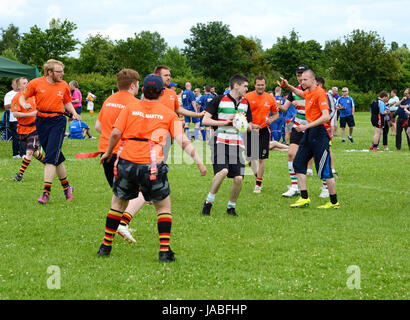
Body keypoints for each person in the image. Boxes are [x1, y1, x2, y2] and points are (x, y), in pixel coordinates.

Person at [96, 74, 207, 262]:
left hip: (126, 163)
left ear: (142, 91)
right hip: (152, 166)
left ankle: (105, 247)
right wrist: (198, 160)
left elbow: (115, 132)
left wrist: (107, 153)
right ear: (162, 93)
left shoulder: (130, 108)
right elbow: (182, 140)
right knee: (163, 207)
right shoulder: (169, 114)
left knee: (117, 204)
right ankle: (164, 251)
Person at [19, 59, 81, 204]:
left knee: (51, 156)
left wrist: (73, 112)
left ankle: (46, 193)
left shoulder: (64, 85)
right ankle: (67, 188)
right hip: (41, 122)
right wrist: (24, 105)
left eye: (62, 71)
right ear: (49, 72)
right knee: (56, 156)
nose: (62, 74)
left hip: (57, 122)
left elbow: (67, 102)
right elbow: (23, 97)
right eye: (59, 71)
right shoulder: (35, 83)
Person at [95, 69, 146, 243]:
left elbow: (98, 126)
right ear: (133, 85)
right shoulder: (135, 103)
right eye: (138, 84)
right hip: (125, 154)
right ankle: (121, 225)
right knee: (144, 191)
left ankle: (116, 227)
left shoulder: (108, 100)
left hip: (106, 153)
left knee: (119, 195)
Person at [283, 69, 339, 209]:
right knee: (298, 163)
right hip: (309, 133)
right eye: (301, 80)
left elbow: (326, 116)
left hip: (319, 134)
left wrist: (307, 125)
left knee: (325, 170)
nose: (302, 82)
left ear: (313, 80)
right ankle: (304, 198)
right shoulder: (309, 92)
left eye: (305, 80)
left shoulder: (320, 94)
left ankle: (334, 202)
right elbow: (300, 94)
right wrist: (289, 86)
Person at [201, 74, 255, 216]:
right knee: (223, 171)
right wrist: (223, 123)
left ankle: (231, 207)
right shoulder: (218, 99)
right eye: (245, 86)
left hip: (237, 144)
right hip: (219, 140)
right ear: (236, 85)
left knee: (238, 178)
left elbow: (249, 126)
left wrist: (243, 124)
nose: (246, 89)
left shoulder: (245, 103)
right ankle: (208, 202)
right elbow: (205, 121)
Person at [278, 65, 310, 197]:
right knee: (291, 154)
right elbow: (285, 108)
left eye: (302, 74)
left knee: (318, 158)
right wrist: (277, 106)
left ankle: (326, 187)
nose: (300, 77)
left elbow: (315, 104)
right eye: (298, 75)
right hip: (297, 126)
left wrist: (303, 104)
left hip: (312, 126)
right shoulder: (294, 91)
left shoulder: (314, 89)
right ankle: (294, 187)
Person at [244, 75, 279, 194]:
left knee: (261, 158)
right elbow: (241, 114)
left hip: (263, 130)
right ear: (254, 85)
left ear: (265, 85)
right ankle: (258, 176)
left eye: (262, 85)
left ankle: (258, 184)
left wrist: (271, 120)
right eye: (258, 85)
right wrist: (251, 125)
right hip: (249, 129)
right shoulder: (247, 97)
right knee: (249, 158)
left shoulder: (270, 98)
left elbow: (276, 114)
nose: (260, 87)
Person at [10, 77, 44, 182]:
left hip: (35, 128)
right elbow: (15, 114)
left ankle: (20, 175)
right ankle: (49, 164)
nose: (27, 84)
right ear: (19, 86)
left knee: (29, 152)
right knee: (34, 152)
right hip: (22, 129)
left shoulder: (34, 95)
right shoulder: (16, 98)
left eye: (27, 82)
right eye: (24, 83)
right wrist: (30, 113)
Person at [4, 78, 25, 158]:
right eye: (14, 84)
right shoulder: (9, 94)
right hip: (14, 118)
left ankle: (23, 153)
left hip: (23, 118)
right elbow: (6, 107)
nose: (16, 85)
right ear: (12, 85)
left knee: (23, 135)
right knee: (16, 136)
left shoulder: (24, 93)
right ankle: (15, 153)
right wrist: (16, 104)